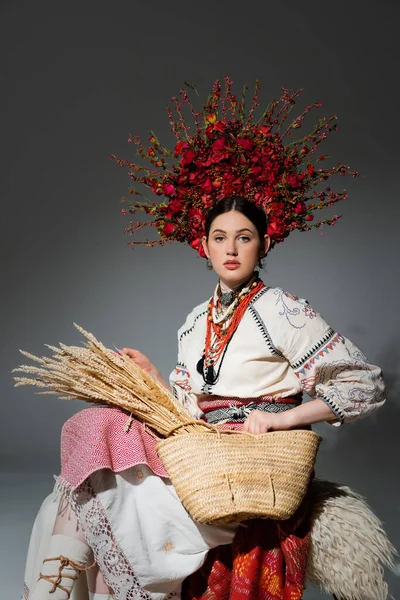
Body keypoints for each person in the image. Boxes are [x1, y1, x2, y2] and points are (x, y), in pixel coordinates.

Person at [22, 196, 386, 600]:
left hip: (254, 457)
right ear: (205, 246)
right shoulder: (196, 321)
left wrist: (283, 419)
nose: (231, 249)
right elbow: (188, 408)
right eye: (220, 238)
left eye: (243, 238)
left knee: (123, 499)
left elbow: (363, 384)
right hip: (203, 451)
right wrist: (154, 377)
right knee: (94, 426)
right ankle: (52, 589)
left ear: (263, 246)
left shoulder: (284, 309)